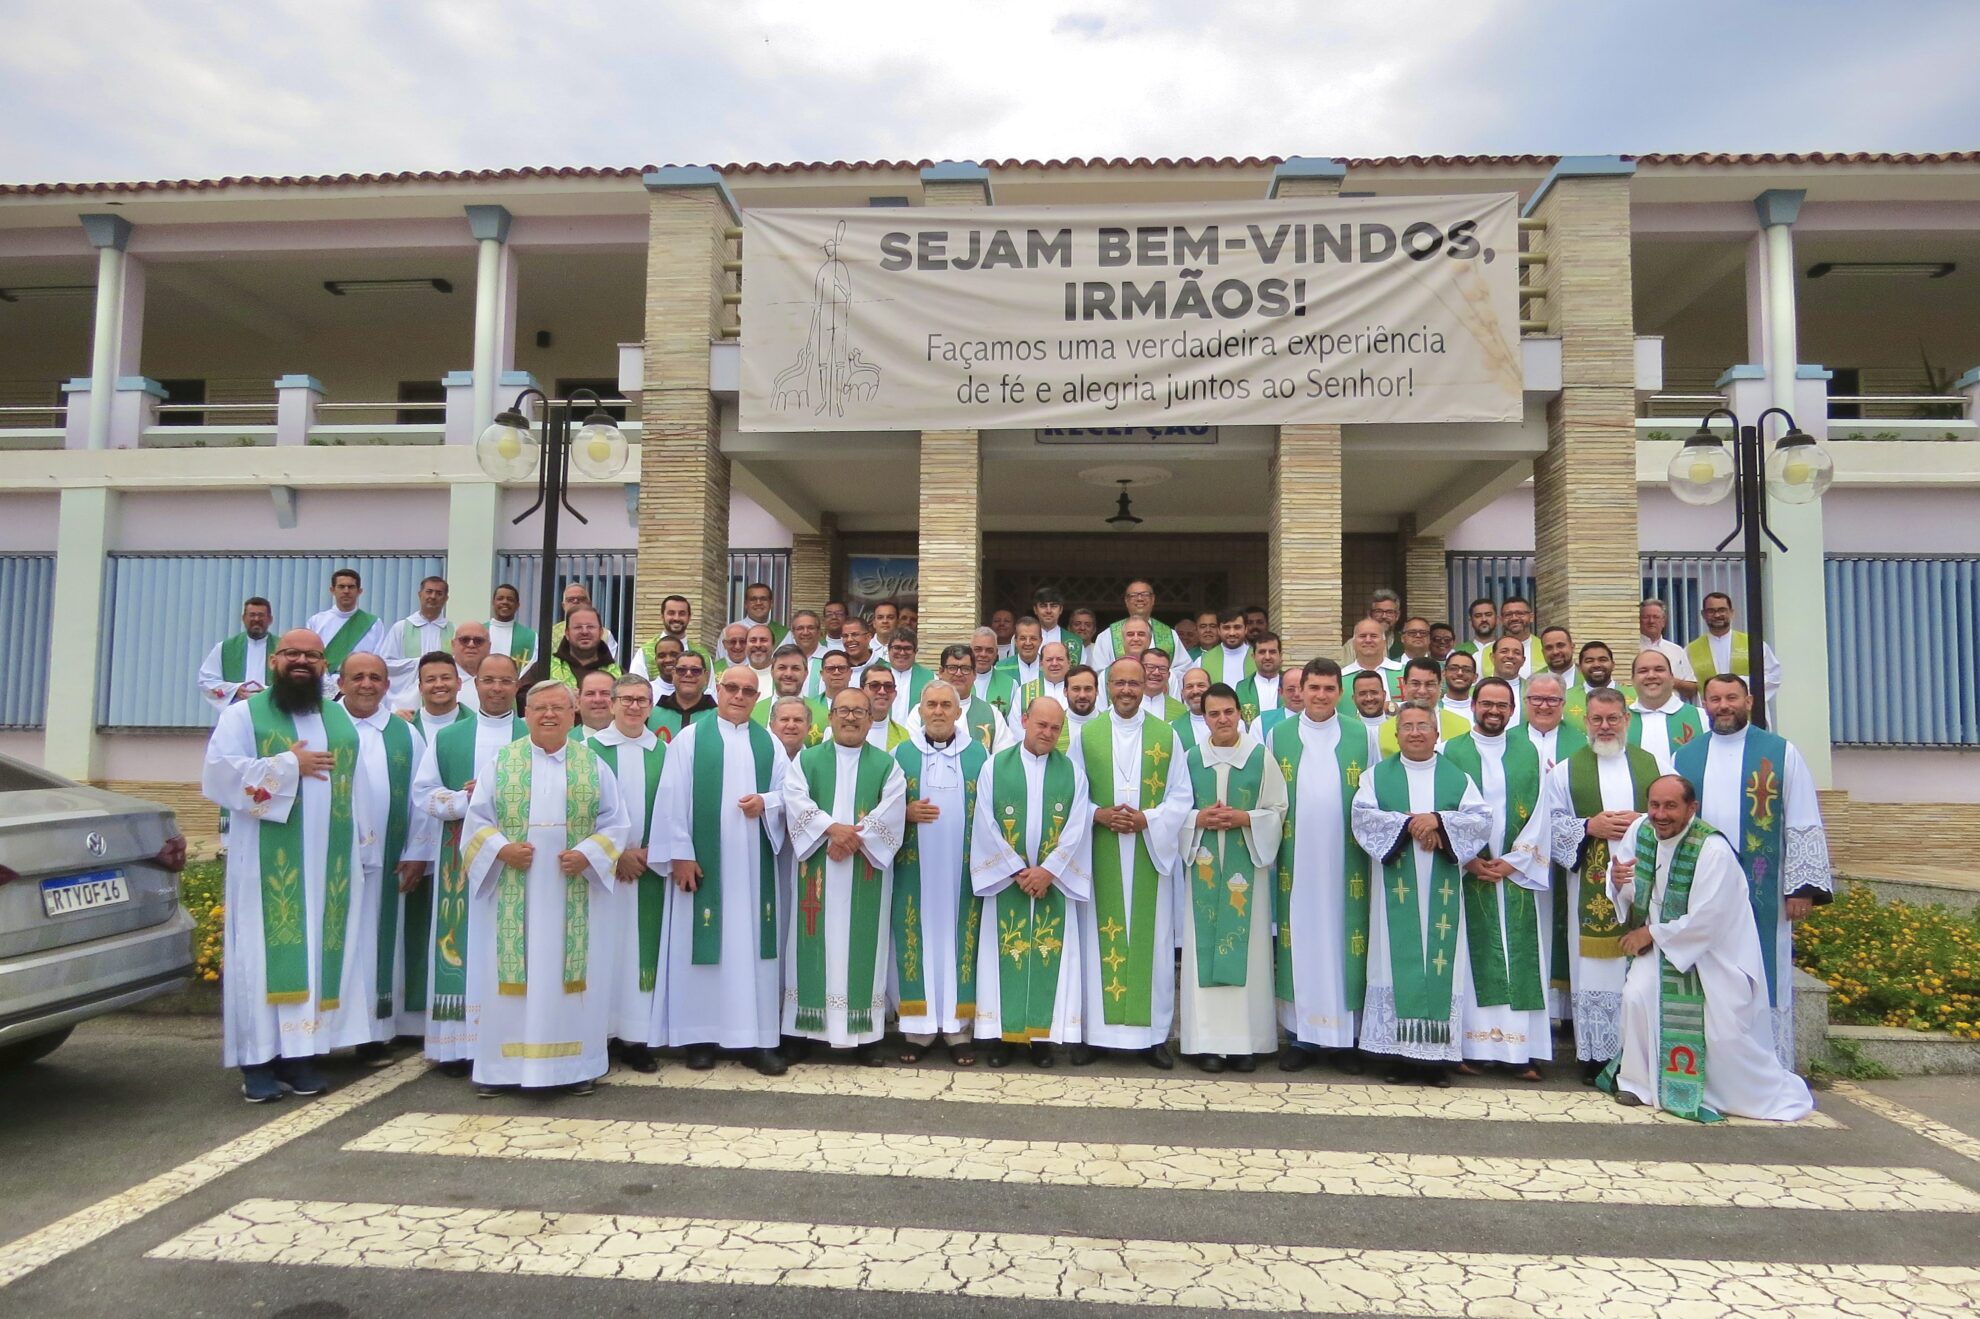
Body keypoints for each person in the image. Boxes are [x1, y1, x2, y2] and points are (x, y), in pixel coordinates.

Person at [201, 629, 380, 1101]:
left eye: (313, 656)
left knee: (318, 954)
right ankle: (256, 1061)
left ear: (324, 666)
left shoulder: (337, 717)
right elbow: (219, 776)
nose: (303, 661)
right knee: (261, 960)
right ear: (275, 660)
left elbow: (356, 784)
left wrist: (364, 848)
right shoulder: (243, 714)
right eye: (293, 654)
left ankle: (300, 1055)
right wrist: (285, 766)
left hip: (331, 865)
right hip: (266, 867)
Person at [1602, 775, 1815, 1121]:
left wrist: (1650, 934)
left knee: (1723, 1036)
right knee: (1636, 995)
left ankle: (1740, 1091)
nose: (1660, 814)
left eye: (1671, 806)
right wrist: (1617, 883)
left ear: (1692, 808)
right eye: (1654, 805)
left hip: (1714, 956)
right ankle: (1637, 1083)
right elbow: (1630, 884)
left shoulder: (1711, 850)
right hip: (1663, 948)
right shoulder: (1640, 832)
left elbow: (1708, 920)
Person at [457, 681, 627, 1096]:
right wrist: (503, 849)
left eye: (558, 708)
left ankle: (573, 1068)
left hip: (573, 890)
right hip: (516, 889)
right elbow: (476, 823)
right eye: (539, 708)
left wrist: (588, 853)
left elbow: (616, 822)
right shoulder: (502, 762)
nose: (549, 715)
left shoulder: (592, 765)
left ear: (574, 714)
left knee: (569, 978)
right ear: (526, 713)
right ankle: (500, 1070)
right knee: (512, 978)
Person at [1674, 675, 1833, 1065]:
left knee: (1762, 967)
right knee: (1707, 966)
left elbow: (1801, 819)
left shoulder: (1780, 752)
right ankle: (1713, 1061)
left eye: (1731, 697)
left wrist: (1802, 887)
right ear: (1705, 705)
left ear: (1749, 701)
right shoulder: (1686, 756)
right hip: (1702, 884)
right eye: (1715, 699)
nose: (1723, 705)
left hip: (1763, 882)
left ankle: (1769, 1062)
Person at [1509, 688, 1660, 1080]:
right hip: (1587, 890)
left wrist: (1642, 820)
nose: (1605, 726)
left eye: (1613, 718)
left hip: (1642, 883)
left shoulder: (1652, 765)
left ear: (1627, 720)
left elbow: (1671, 814)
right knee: (1594, 971)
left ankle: (1639, 1054)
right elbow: (1550, 825)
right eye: (1597, 720)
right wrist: (1590, 826)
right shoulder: (1566, 770)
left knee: (1639, 971)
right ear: (1585, 722)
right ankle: (1595, 1058)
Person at [654, 662, 789, 1075]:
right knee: (703, 953)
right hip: (704, 867)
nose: (739, 696)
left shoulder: (770, 743)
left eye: (748, 691)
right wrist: (680, 853)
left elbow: (790, 794)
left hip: (754, 872)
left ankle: (756, 1041)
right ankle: (700, 1038)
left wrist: (768, 803)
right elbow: (671, 796)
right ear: (718, 688)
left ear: (757, 697)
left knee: (753, 950)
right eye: (731, 688)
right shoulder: (691, 739)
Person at [1350, 703, 1492, 1086]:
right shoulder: (1376, 776)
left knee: (1441, 965)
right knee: (1392, 962)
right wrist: (1413, 824)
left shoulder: (1457, 778)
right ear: (1395, 735)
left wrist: (1440, 823)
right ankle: (1398, 1055)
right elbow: (1362, 817)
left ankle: (1436, 1060)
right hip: (1395, 884)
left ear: (1436, 733)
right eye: (1407, 727)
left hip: (1441, 880)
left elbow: (1481, 819)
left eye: (1423, 726)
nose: (1415, 732)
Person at [409, 651, 527, 1075]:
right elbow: (424, 794)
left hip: (516, 859)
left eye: (506, 681)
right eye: (489, 680)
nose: (497, 688)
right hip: (458, 858)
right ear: (475, 685)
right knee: (462, 943)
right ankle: (457, 1045)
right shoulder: (450, 738)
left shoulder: (532, 733)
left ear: (517, 686)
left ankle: (509, 1036)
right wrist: (466, 799)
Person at [1073, 656, 1193, 1069]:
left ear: (1148, 686)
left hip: (1147, 849)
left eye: (1134, 683)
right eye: (1119, 683)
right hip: (1100, 850)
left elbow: (1181, 795)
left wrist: (1148, 819)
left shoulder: (1167, 734)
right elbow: (1070, 793)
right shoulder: (1087, 735)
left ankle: (1153, 1036)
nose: (1126, 690)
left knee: (1154, 942)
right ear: (1108, 686)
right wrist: (1097, 814)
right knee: (1095, 941)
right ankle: (1094, 1034)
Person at [782, 686, 908, 1063]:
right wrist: (831, 830)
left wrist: (851, 837)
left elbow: (894, 809)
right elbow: (794, 799)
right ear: (831, 716)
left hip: (863, 871)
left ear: (871, 720)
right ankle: (801, 1031)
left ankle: (864, 1036)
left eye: (859, 711)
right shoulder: (806, 761)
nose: (850, 717)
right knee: (807, 945)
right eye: (843, 710)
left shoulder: (887, 765)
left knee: (863, 948)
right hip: (816, 872)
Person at [968, 696, 1093, 1067]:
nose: (1048, 733)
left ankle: (1041, 1039)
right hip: (1010, 883)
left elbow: (1076, 827)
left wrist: (1049, 871)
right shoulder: (995, 767)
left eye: (1056, 728)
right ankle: (1003, 1040)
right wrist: (1016, 870)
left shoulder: (1072, 772)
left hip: (1051, 883)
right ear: (1024, 721)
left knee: (1048, 954)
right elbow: (985, 822)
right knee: (1003, 955)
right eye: (1042, 725)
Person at [1272, 660, 1380, 1072]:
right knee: (1300, 941)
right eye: (1312, 687)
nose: (1320, 695)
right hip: (1294, 862)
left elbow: (1370, 796)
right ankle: (1300, 1039)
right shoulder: (1278, 735)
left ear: (1341, 692)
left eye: (1328, 688)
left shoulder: (1360, 735)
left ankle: (1345, 1040)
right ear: (1299, 690)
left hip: (1346, 863)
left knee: (1344, 942)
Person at [1441, 678, 1551, 1081]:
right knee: (1470, 959)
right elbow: (1444, 809)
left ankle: (1520, 1050)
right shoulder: (1450, 752)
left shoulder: (1531, 753)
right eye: (1486, 703)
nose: (1494, 711)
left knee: (1519, 954)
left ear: (1512, 709)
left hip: (1516, 873)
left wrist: (1515, 861)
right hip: (1468, 873)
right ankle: (1470, 1046)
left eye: (1502, 705)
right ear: (1472, 705)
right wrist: (1468, 858)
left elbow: (1543, 814)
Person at [1180, 683, 1286, 1072]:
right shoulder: (1191, 759)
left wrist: (1246, 818)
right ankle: (1205, 1042)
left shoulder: (1260, 757)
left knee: (1251, 954)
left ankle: (1246, 1043)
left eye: (1228, 712)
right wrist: (1197, 818)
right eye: (1213, 714)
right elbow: (1175, 811)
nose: (1222, 720)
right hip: (1203, 869)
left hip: (1247, 875)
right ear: (1203, 717)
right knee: (1202, 951)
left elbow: (1277, 809)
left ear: (1240, 713)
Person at [337, 653, 434, 1062]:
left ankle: (373, 1034)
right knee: (337, 943)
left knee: (376, 941)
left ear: (386, 685)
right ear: (340, 683)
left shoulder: (404, 733)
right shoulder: (324, 725)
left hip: (387, 858)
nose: (367, 684)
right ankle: (323, 1034)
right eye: (357, 676)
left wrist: (416, 853)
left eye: (375, 677)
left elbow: (421, 797)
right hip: (332, 861)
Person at [892, 680, 990, 1065]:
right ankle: (917, 1030)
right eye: (930, 704)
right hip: (913, 871)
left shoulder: (980, 755)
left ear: (958, 711)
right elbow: (876, 807)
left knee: (960, 943)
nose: (937, 711)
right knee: (917, 938)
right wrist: (903, 813)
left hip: (963, 873)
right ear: (919, 710)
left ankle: (957, 1030)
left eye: (945, 705)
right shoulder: (900, 754)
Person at [587, 674, 670, 1075]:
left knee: (641, 951)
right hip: (602, 873)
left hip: (649, 870)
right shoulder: (588, 750)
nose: (635, 707)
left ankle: (636, 1036)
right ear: (612, 704)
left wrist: (650, 854)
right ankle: (598, 1035)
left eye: (642, 700)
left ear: (651, 706)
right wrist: (614, 855)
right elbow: (579, 813)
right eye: (627, 699)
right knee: (604, 949)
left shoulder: (666, 753)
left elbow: (678, 813)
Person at [1509, 670, 1585, 1023]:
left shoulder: (1583, 747)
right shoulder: (1506, 743)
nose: (1543, 705)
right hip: (1517, 856)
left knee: (1564, 925)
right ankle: (1528, 1009)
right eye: (1536, 699)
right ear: (1524, 702)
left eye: (1552, 699)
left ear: (1564, 703)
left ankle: (1565, 1013)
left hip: (1566, 859)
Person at [1689, 592, 1782, 710]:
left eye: (1722, 610)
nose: (1717, 615)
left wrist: (1742, 683)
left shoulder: (1753, 644)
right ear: (1703, 614)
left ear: (1732, 612)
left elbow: (1774, 676)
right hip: (1709, 716)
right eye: (1711, 611)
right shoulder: (1690, 650)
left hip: (1748, 714)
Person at [921, 644, 1015, 754]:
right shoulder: (920, 711)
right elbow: (913, 751)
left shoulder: (991, 714)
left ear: (974, 674)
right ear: (941, 672)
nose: (959, 674)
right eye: (952, 668)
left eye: (965, 669)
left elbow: (1003, 758)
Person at [304, 568, 384, 696]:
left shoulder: (373, 624)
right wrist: (331, 688)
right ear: (332, 590)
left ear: (359, 591)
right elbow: (310, 658)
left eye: (351, 587)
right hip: (322, 691)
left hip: (360, 688)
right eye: (341, 587)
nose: (346, 591)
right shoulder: (316, 621)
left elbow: (378, 659)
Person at [379, 575, 454, 712]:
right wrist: (419, 663)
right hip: (408, 700)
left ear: (446, 598)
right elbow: (385, 664)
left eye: (439, 593)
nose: (433, 596)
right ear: (420, 595)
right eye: (429, 591)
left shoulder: (454, 631)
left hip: (442, 696)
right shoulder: (401, 628)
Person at [1627, 650, 1704, 773]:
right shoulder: (1618, 721)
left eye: (1659, 669)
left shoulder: (1703, 718)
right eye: (1643, 671)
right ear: (1632, 680)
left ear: (1672, 678)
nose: (1651, 675)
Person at [1379, 658, 1470, 755]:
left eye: (1429, 684)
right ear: (1404, 686)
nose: (1422, 691)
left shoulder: (1462, 726)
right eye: (1415, 684)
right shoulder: (1385, 729)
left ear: (1440, 686)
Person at [519, 604, 619, 692]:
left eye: (590, 627)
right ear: (567, 633)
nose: (584, 632)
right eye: (578, 627)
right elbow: (522, 698)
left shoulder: (618, 673)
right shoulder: (544, 667)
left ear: (601, 632)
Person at [199, 597, 275, 711]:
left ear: (270, 619)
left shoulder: (283, 648)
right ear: (243, 618)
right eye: (252, 615)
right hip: (236, 711)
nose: (256, 619)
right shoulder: (224, 648)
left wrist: (269, 692)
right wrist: (235, 690)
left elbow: (295, 683)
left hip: (271, 711)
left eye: (261, 615)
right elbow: (206, 680)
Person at [1086, 580, 1178, 673]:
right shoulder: (1107, 636)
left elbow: (1181, 670)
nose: (1140, 598)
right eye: (1134, 595)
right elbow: (1100, 672)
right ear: (1126, 601)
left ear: (1153, 599)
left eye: (1145, 594)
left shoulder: (1170, 635)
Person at [1637, 599, 1697, 702]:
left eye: (1656, 617)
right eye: (1646, 617)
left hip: (1672, 710)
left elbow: (1692, 688)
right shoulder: (1632, 648)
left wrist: (1670, 681)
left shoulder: (1676, 650)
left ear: (1663, 621)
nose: (1651, 621)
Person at [753, 644, 820, 735]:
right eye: (782, 668)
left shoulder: (823, 715)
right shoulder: (753, 713)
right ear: (772, 672)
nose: (788, 674)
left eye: (795, 668)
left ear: (805, 673)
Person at [632, 594, 703, 679]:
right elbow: (634, 687)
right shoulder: (645, 652)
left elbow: (711, 690)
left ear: (689, 617)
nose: (676, 618)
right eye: (671, 613)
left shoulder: (703, 654)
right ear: (662, 616)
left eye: (682, 613)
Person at [546, 582, 620, 661]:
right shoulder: (550, 634)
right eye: (570, 599)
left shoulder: (605, 635)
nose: (575, 602)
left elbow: (610, 667)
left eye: (581, 599)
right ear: (563, 606)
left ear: (589, 604)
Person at [650, 650, 716, 737]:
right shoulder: (651, 715)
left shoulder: (718, 717)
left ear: (705, 676)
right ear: (673, 674)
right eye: (681, 670)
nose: (688, 674)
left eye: (695, 670)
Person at [1012, 640, 1072, 733]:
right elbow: (1015, 728)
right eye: (1049, 660)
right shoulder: (1023, 692)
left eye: (1060, 659)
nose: (1054, 663)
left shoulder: (1078, 691)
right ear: (1041, 663)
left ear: (1069, 662)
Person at [1342, 618, 1403, 700]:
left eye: (1374, 636)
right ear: (1353, 643)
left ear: (1384, 642)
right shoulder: (1341, 677)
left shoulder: (1403, 672)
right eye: (1362, 636)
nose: (1368, 640)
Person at [1197, 608, 1255, 687]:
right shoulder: (1202, 661)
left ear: (1246, 629)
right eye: (1226, 628)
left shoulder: (1258, 657)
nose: (1232, 633)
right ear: (1218, 630)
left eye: (1237, 627)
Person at [1234, 632, 1284, 723]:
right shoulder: (1242, 688)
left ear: (1280, 656)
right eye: (1262, 652)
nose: (1267, 657)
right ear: (1253, 657)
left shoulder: (1291, 685)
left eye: (1272, 652)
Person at [412, 650, 464, 736]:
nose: (439, 685)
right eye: (431, 680)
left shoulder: (477, 725)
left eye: (446, 678)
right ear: (420, 688)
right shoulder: (406, 727)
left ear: (459, 683)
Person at [881, 627, 933, 712]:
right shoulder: (875, 674)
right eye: (897, 648)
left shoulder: (930, 679)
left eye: (907, 648)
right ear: (889, 649)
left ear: (915, 651)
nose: (902, 653)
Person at [860, 667, 913, 751]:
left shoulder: (905, 738)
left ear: (894, 694)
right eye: (874, 685)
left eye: (888, 686)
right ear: (861, 692)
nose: (882, 691)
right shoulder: (843, 731)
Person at [486, 583, 536, 667]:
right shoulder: (480, 631)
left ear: (517, 605)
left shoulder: (531, 636)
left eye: (510, 599)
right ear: (493, 603)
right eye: (500, 598)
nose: (505, 602)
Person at [968, 627, 1017, 713]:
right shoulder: (958, 680)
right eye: (978, 649)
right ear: (969, 651)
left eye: (989, 650)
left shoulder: (1011, 684)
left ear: (996, 653)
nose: (983, 654)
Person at [1031, 585, 1081, 664]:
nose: (1048, 611)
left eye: (1053, 606)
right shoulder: (1021, 639)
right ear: (1035, 609)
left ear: (1060, 609)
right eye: (1043, 606)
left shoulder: (1076, 641)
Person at [445, 624, 486, 718]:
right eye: (464, 640)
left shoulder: (499, 679)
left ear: (489, 646)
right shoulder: (437, 676)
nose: (471, 645)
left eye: (478, 641)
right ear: (453, 644)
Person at [1139, 648, 1188, 724]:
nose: (1156, 673)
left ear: (1168, 675)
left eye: (1162, 669)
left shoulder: (1181, 711)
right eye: (1150, 667)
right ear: (1139, 670)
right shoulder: (1126, 704)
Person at [1253, 668, 1304, 739]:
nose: (1297, 694)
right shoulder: (1261, 723)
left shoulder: (1321, 721)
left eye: (1302, 689)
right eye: (1290, 689)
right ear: (1280, 692)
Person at [736, 581, 789, 646]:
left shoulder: (785, 635)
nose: (758, 603)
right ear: (746, 604)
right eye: (753, 599)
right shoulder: (730, 632)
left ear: (771, 604)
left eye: (763, 599)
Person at [1499, 595, 1541, 675]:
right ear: (1501, 620)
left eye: (1520, 613)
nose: (1514, 618)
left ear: (1531, 617)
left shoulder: (1544, 649)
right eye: (1508, 614)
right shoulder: (1486, 652)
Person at [999, 616, 1046, 688]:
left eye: (1033, 638)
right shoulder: (1000, 668)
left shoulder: (1049, 667)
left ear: (1040, 640)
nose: (1028, 643)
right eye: (1023, 638)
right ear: (1015, 641)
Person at [1174, 666, 1213, 751]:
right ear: (1182, 693)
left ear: (1211, 689)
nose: (1195, 691)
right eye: (1189, 686)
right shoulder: (1173, 729)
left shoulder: (1231, 723)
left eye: (1201, 685)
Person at [1439, 650, 1479, 731]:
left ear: (1475, 677)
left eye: (1466, 670)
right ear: (1443, 674)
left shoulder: (1481, 711)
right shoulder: (1433, 709)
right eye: (1453, 668)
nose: (1460, 673)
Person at [769, 695, 815, 760]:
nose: (791, 726)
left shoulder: (817, 763)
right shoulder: (759, 760)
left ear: (809, 728)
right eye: (784, 719)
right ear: (771, 726)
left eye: (798, 720)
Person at [574, 669, 616, 737]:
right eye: (590, 694)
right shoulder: (562, 744)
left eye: (605, 693)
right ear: (578, 701)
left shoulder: (634, 744)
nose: (598, 699)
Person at [840, 617, 878, 684]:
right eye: (845, 636)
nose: (849, 640)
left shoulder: (884, 666)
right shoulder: (835, 668)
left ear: (868, 637)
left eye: (855, 634)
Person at [1368, 589, 1403, 659]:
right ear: (1370, 614)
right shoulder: (1355, 644)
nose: (1384, 616)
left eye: (1389, 612)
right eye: (1379, 611)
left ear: (1397, 616)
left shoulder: (1405, 643)